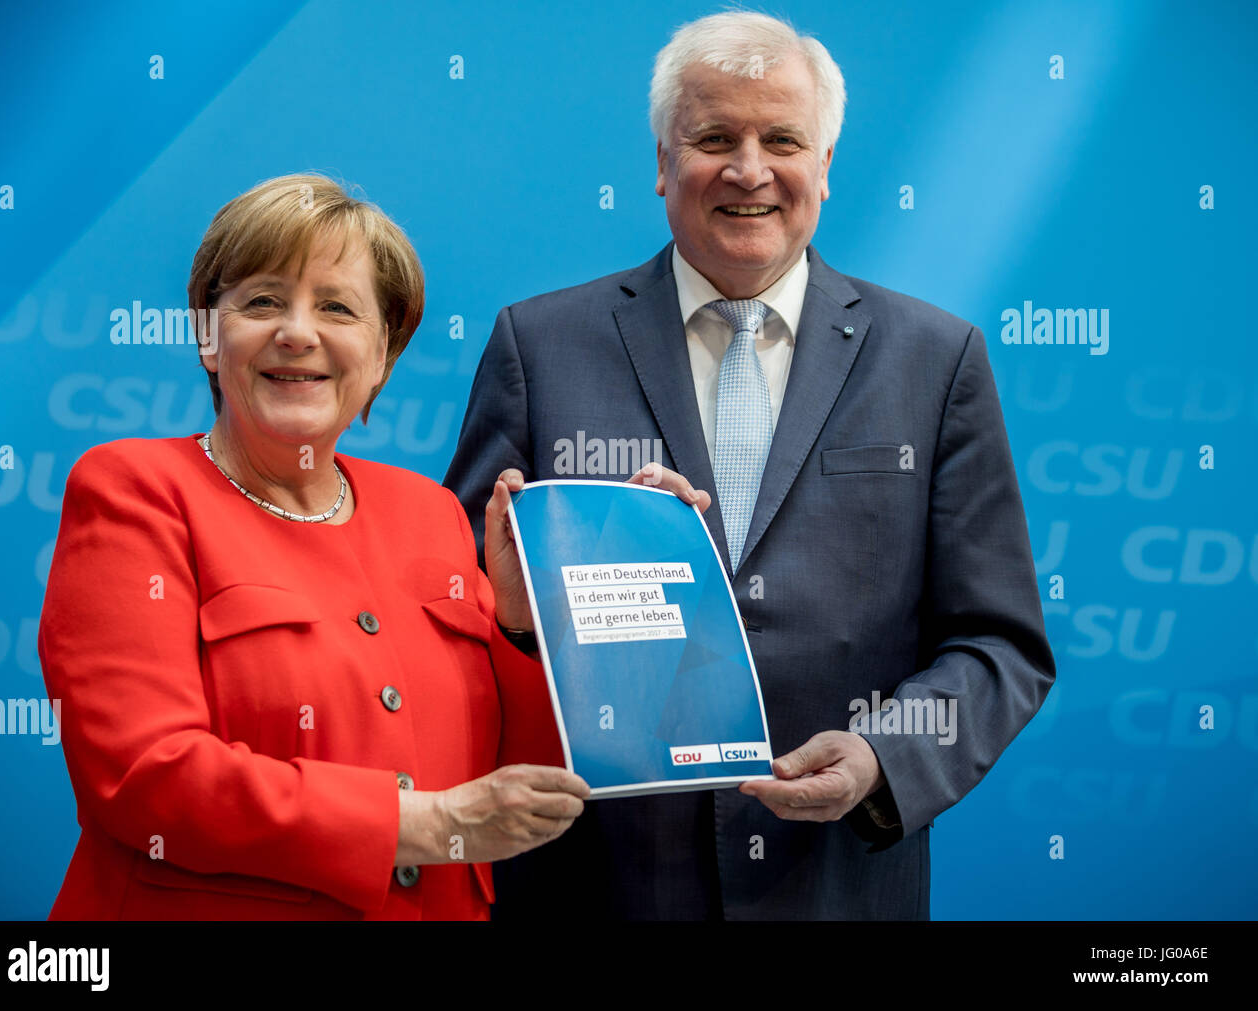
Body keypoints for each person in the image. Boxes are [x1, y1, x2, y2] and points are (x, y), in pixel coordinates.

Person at [443, 12, 1056, 920]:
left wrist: (885, 756)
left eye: (782, 139)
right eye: (714, 137)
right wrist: (513, 618)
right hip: (597, 883)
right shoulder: (539, 347)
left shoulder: (936, 360)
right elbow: (452, 622)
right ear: (661, 163)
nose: (749, 169)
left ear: (825, 166)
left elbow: (1000, 642)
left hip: (838, 883)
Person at [37, 173, 604, 920]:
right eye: (263, 301)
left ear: (381, 357)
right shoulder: (135, 491)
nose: (298, 332)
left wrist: (521, 624)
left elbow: (525, 782)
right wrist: (424, 825)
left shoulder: (430, 512)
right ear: (211, 338)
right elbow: (145, 776)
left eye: (337, 307)